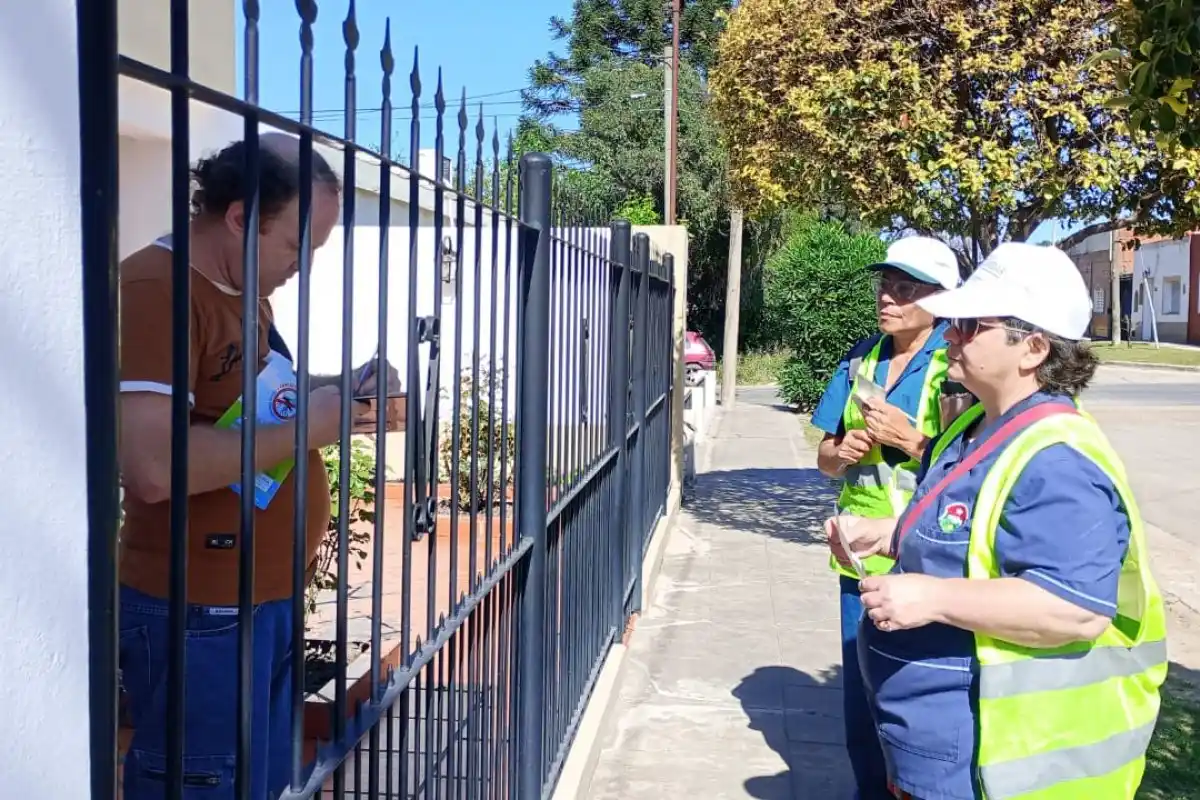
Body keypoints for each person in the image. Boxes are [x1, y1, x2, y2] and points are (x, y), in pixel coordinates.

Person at [828, 242, 1167, 800]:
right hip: (944, 752)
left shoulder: (1058, 459)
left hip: (1008, 768)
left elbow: (1073, 608)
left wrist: (932, 598)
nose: (950, 334)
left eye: (968, 324)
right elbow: (970, 532)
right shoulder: (978, 429)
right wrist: (890, 533)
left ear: (1032, 347)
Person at [117, 133, 396, 799]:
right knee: (202, 783)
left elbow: (243, 409)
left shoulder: (241, 288)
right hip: (197, 610)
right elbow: (154, 465)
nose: (303, 265)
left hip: (260, 598)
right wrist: (310, 427)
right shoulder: (156, 289)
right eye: (298, 246)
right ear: (240, 217)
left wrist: (341, 392)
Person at [810, 236, 961, 800]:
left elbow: (983, 466)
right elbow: (824, 460)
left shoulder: (959, 364)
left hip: (934, 563)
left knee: (921, 709)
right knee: (864, 706)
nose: (888, 297)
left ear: (942, 299)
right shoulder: (860, 358)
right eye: (886, 285)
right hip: (861, 560)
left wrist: (915, 442)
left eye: (906, 288)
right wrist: (841, 449)